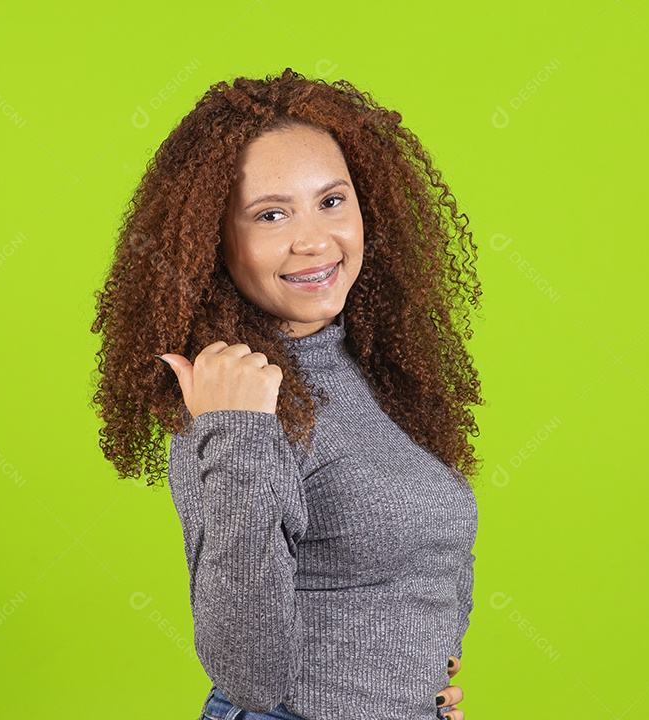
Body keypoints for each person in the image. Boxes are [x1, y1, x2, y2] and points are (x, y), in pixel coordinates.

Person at [90, 67, 484, 720]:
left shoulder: (367, 366)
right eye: (271, 214)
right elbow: (248, 673)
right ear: (212, 242)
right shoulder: (230, 403)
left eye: (332, 201)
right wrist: (236, 432)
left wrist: (414, 685)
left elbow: (404, 566)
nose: (314, 240)